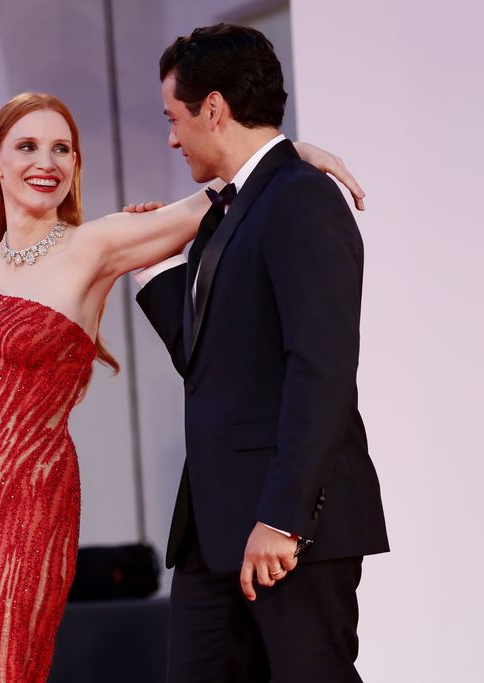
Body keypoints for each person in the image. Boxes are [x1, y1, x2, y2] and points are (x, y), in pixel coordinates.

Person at [0, 91, 363, 682]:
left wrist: (293, 154)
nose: (47, 162)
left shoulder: (96, 244)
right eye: (28, 146)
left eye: (63, 149)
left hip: (26, 504)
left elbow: (229, 190)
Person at [135, 25, 389, 682]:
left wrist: (282, 517)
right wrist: (157, 272)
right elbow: (210, 364)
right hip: (214, 530)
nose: (171, 137)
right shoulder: (230, 212)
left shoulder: (301, 198)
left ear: (213, 109)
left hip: (287, 527)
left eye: (174, 117)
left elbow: (322, 368)